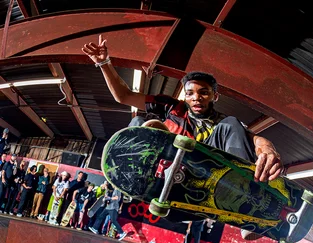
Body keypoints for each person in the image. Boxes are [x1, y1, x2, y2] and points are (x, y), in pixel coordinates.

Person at [82, 35, 283, 184]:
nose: (196, 98)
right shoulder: (171, 107)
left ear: (215, 96)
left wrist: (268, 150)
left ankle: (241, 188)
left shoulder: (223, 123)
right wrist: (104, 63)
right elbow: (124, 96)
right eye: (190, 93)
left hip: (201, 169)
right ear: (184, 96)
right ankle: (133, 174)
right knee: (139, 123)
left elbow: (255, 139)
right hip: (167, 162)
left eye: (204, 92)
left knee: (232, 124)